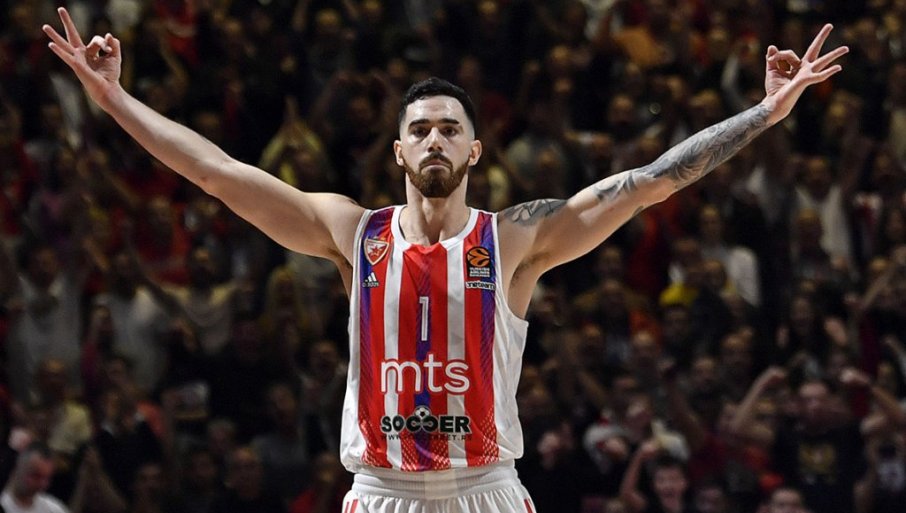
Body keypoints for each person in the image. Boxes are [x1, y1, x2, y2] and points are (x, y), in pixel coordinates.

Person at [42, 7, 848, 511]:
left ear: (475, 149)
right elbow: (216, 173)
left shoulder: (518, 238)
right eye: (421, 128)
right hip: (381, 490)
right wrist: (113, 97)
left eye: (450, 128)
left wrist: (765, 112)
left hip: (485, 488)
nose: (435, 138)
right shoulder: (351, 232)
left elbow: (646, 184)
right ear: (398, 149)